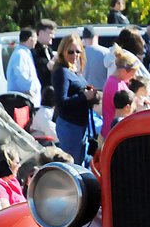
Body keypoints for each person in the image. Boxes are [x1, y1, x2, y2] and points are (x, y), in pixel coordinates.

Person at [51, 34, 99, 166]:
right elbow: (61, 102)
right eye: (70, 52)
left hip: (80, 126)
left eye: (78, 51)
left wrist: (90, 94)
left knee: (79, 164)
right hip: (69, 126)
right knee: (72, 166)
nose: (75, 55)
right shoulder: (61, 72)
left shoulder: (72, 71)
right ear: (62, 52)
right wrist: (84, 96)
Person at [102, 46, 140, 136]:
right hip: (114, 130)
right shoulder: (115, 86)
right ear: (123, 71)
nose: (133, 77)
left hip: (115, 128)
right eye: (132, 74)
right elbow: (125, 109)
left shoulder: (118, 82)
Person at [6, 28, 41, 107]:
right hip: (22, 100)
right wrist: (30, 90)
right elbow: (21, 75)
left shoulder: (24, 53)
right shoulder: (20, 54)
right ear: (30, 39)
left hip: (28, 99)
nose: (36, 41)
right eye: (35, 38)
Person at [81, 25, 109, 90]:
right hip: (102, 90)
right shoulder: (106, 52)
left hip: (86, 91)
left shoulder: (78, 53)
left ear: (83, 38)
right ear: (96, 36)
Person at [0, 143, 25, 209]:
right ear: (8, 165)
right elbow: (5, 210)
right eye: (17, 163)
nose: (19, 165)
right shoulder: (0, 186)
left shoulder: (14, 181)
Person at [32, 19, 56, 90]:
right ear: (41, 33)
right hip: (40, 92)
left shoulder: (48, 50)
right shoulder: (33, 51)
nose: (53, 36)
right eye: (50, 33)